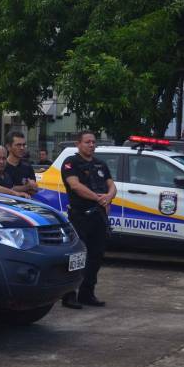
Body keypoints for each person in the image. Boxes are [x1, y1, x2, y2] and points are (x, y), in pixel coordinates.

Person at [61, 130, 117, 309]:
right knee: (77, 257)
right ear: (78, 144)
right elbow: (75, 186)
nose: (91, 145)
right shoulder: (71, 163)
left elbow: (111, 185)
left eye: (93, 142)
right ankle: (69, 295)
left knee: (96, 256)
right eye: (87, 142)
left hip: (98, 217)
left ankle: (87, 293)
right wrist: (98, 198)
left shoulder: (100, 164)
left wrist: (108, 196)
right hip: (80, 216)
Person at [4, 131, 38, 196]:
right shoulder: (2, 166)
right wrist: (26, 187)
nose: (22, 148)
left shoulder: (27, 166)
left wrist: (32, 187)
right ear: (8, 147)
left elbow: (34, 189)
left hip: (26, 203)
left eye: (24, 145)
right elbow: (4, 189)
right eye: (18, 145)